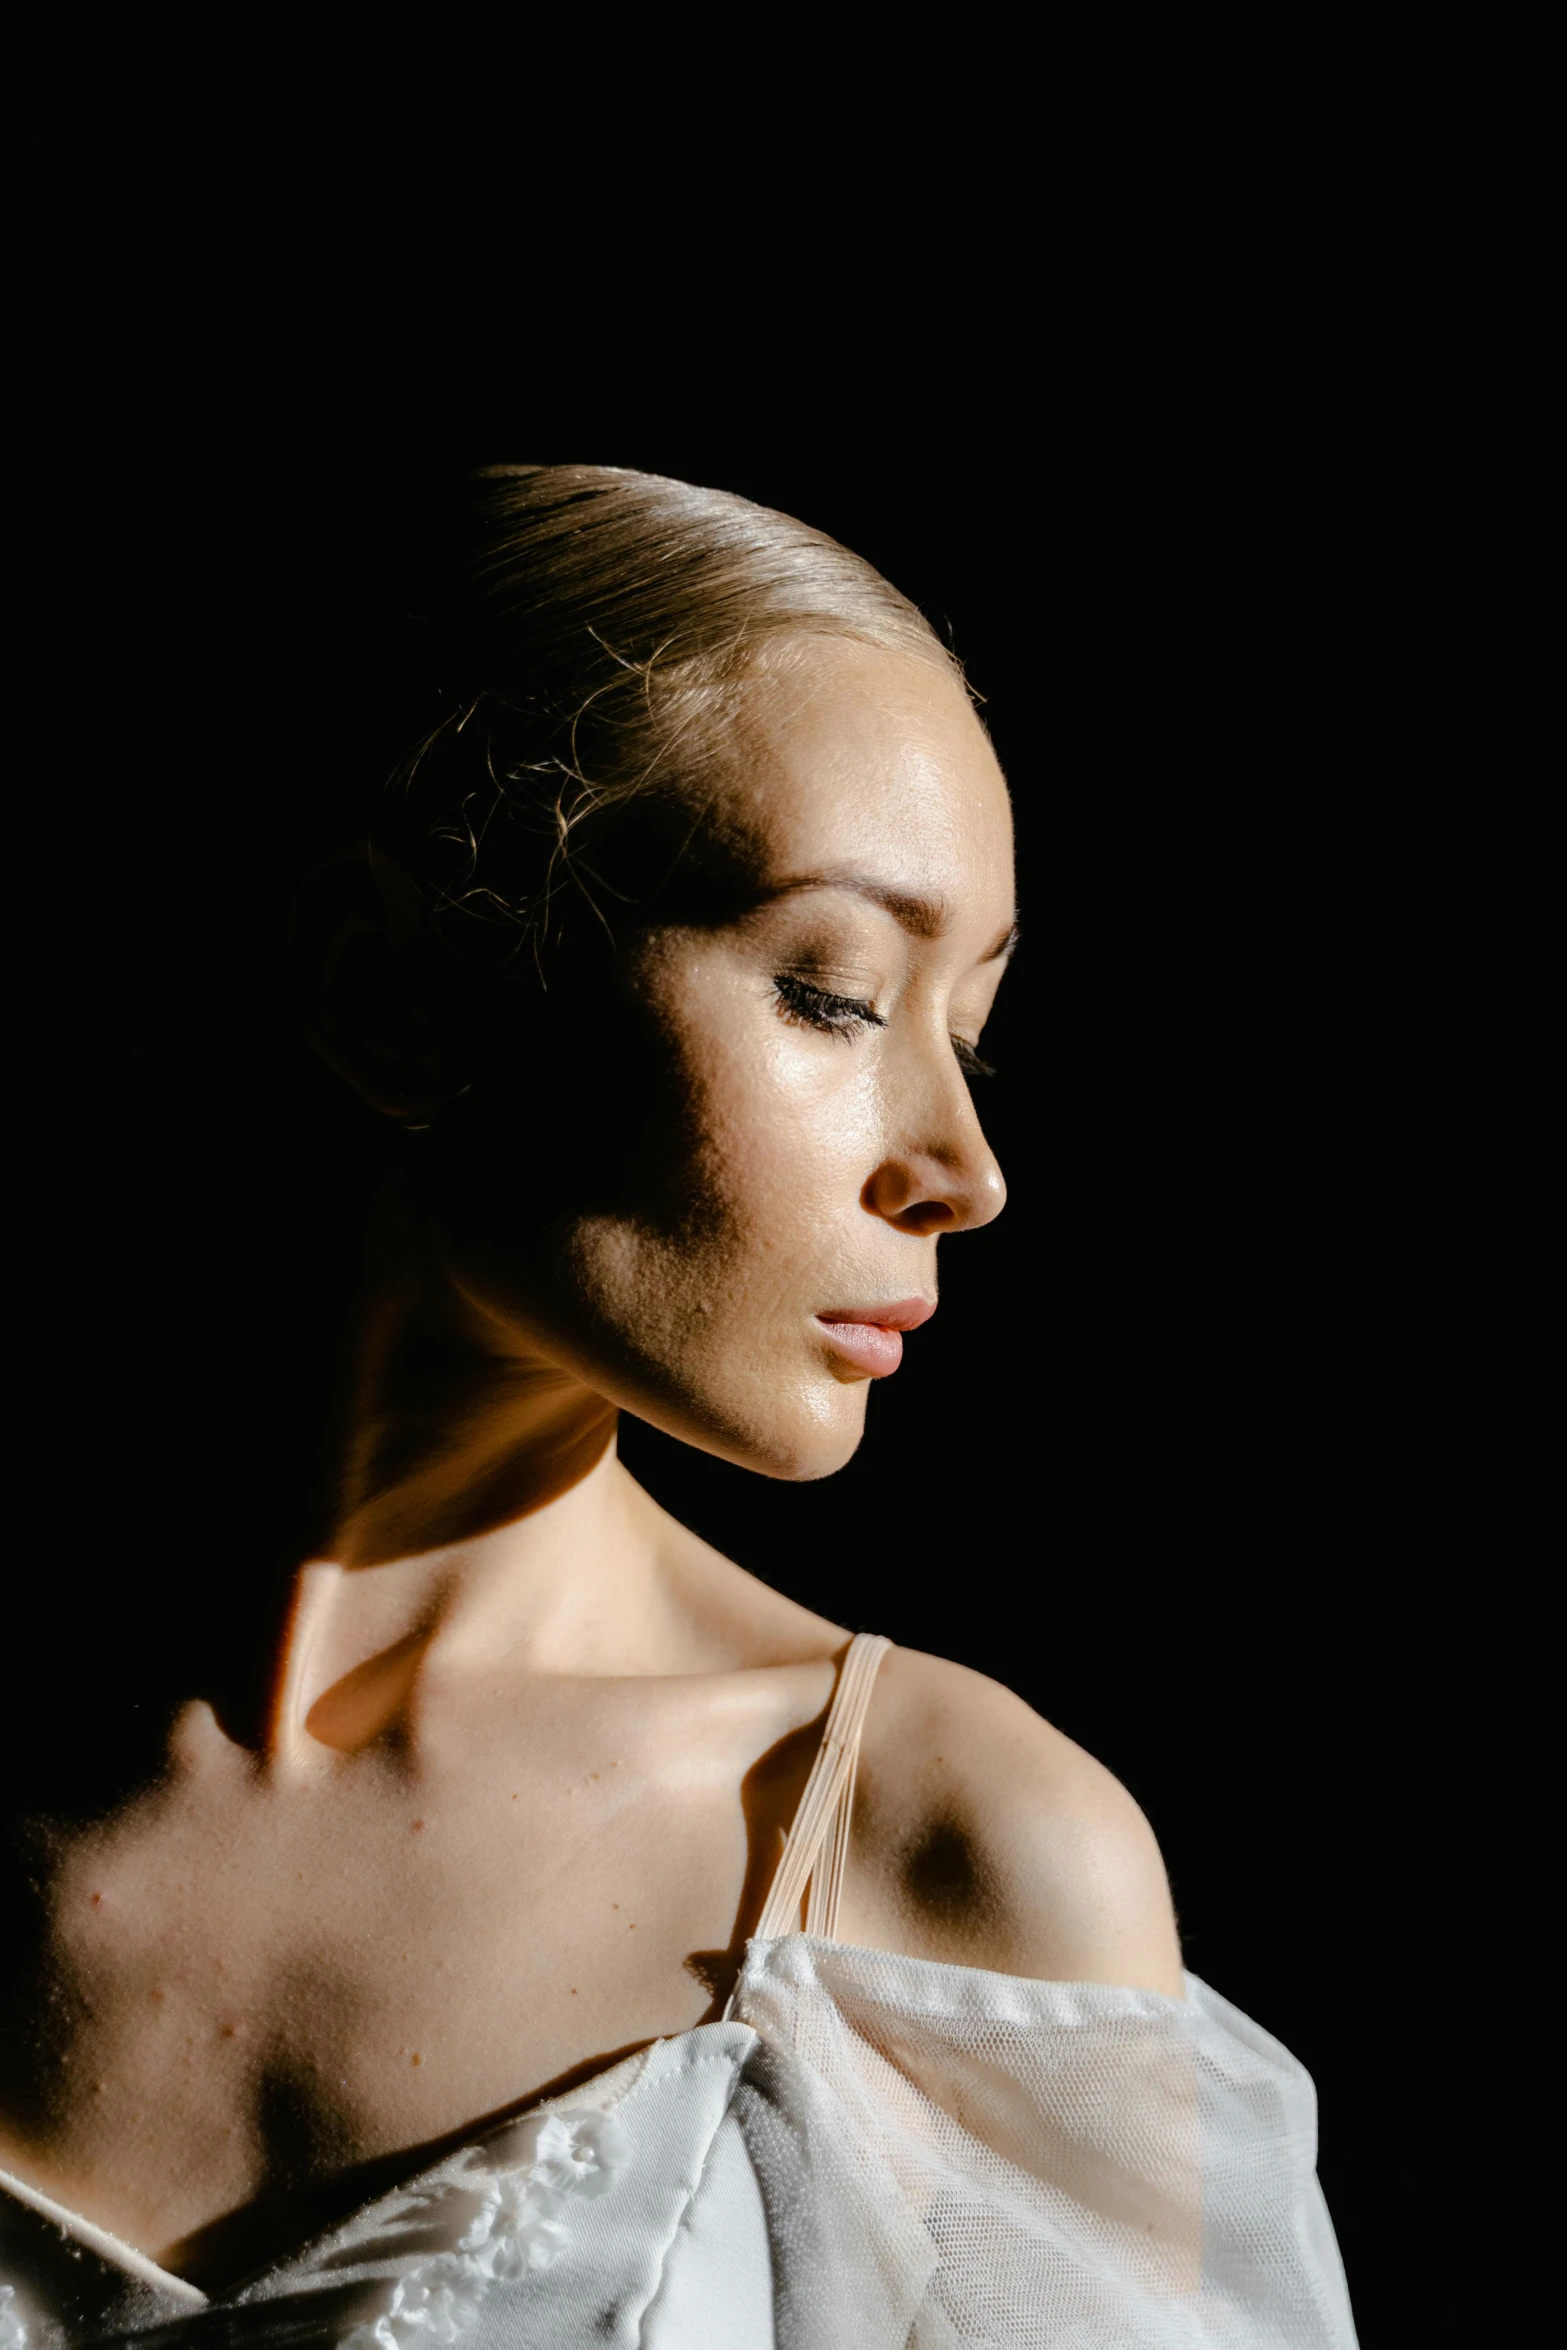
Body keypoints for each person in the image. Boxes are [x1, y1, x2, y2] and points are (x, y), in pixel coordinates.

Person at [0, 466, 1356, 2347]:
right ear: (389, 992)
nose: (961, 1166)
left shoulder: (946, 1874)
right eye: (831, 991)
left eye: (964, 1028)